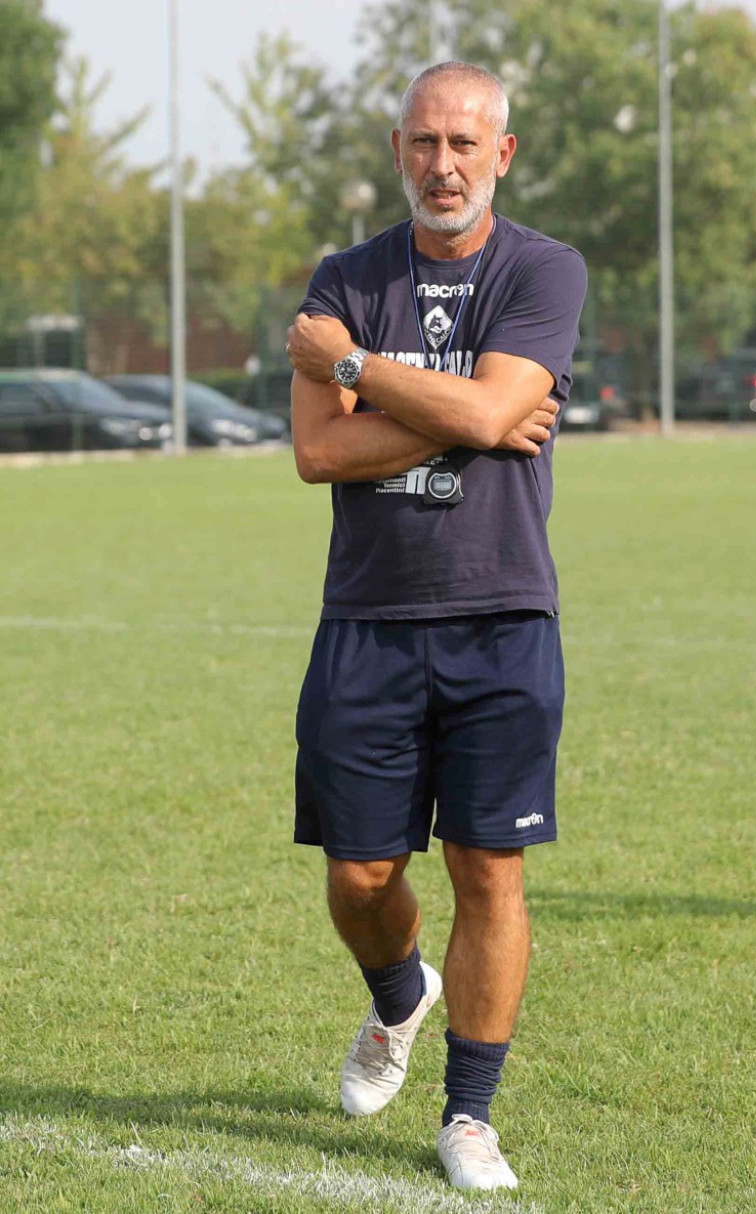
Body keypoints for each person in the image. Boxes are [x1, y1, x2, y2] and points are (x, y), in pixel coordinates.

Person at [286, 60, 587, 1193]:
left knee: (488, 869)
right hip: (366, 617)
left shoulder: (543, 269)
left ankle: (469, 1113)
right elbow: (319, 451)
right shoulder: (347, 275)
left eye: (464, 144)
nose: (442, 165)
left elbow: (483, 404)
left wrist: (357, 368)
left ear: (501, 154)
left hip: (502, 614)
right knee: (359, 876)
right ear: (398, 149)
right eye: (423, 142)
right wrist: (475, 417)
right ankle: (397, 993)